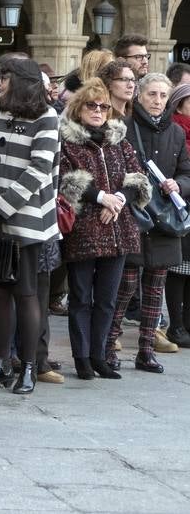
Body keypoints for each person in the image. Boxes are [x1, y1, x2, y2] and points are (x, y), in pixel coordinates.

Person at [0, 58, 60, 395]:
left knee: (25, 292)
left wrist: (5, 206)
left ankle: (29, 366)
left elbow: (40, 168)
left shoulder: (46, 117)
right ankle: (0, 364)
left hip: (27, 219)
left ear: (21, 81)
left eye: (4, 77)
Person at [57, 79, 148, 380]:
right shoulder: (68, 142)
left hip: (119, 227)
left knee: (108, 298)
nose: (98, 111)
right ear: (78, 107)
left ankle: (100, 355)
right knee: (81, 297)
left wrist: (118, 199)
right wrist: (100, 197)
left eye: (103, 107)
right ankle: (82, 356)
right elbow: (66, 179)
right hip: (84, 228)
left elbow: (138, 177)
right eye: (91, 105)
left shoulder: (120, 141)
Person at [106, 73, 190, 373]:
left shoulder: (177, 133)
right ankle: (109, 345)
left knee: (156, 287)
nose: (157, 101)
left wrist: (177, 184)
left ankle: (145, 351)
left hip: (164, 221)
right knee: (125, 286)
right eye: (151, 94)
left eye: (162, 95)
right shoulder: (124, 128)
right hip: (133, 216)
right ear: (139, 96)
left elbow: (186, 172)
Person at [166, 81, 190, 347]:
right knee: (178, 268)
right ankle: (176, 324)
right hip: (179, 206)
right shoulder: (177, 130)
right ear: (180, 104)